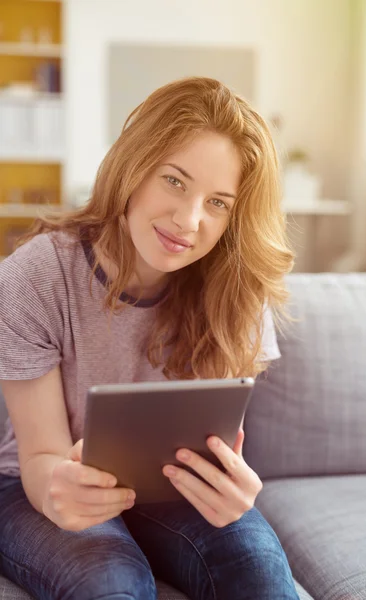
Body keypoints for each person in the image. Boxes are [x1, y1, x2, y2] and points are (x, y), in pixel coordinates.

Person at [0, 76, 298, 600]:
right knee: (109, 580)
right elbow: (40, 457)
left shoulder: (236, 291)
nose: (188, 221)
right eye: (175, 181)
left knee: (259, 569)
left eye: (219, 203)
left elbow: (214, 447)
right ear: (134, 168)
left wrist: (235, 487)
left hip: (169, 489)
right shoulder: (36, 276)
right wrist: (57, 488)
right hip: (35, 490)